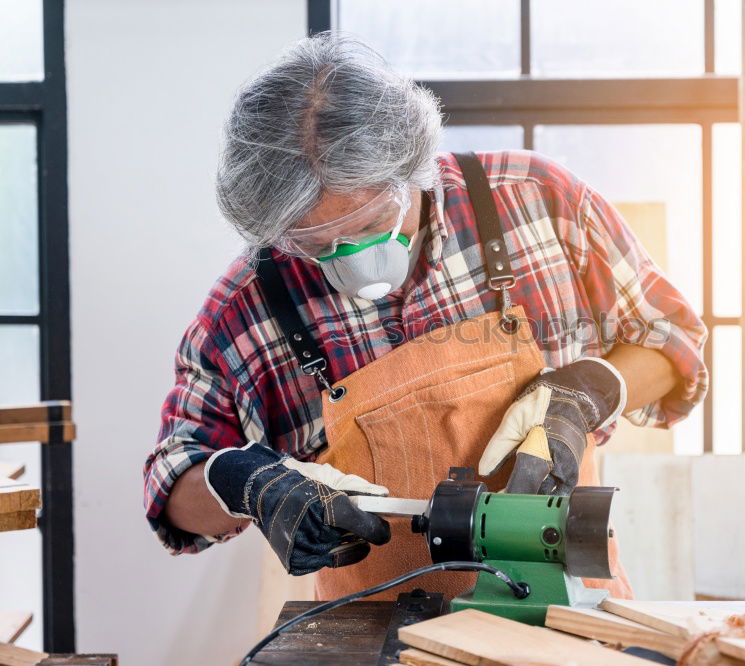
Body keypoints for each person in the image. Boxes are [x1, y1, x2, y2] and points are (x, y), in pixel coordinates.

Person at [143, 33, 707, 602]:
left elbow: (673, 341)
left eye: (368, 226)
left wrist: (590, 392)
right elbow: (172, 482)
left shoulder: (537, 201)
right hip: (367, 634)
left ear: (412, 166)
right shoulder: (248, 306)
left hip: (567, 612)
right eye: (316, 243)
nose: (351, 260)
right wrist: (248, 484)